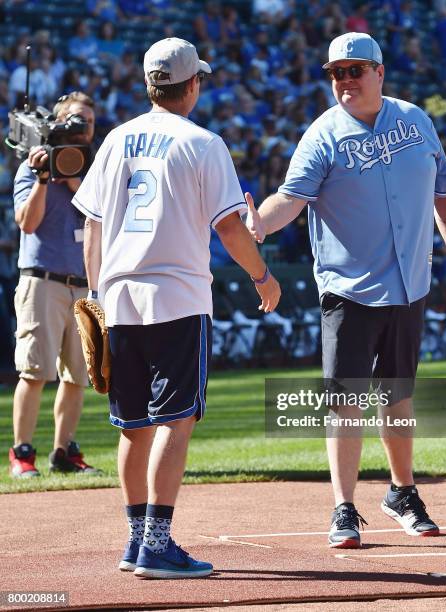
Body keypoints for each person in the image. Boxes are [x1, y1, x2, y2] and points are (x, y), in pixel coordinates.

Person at [246, 32, 446, 548]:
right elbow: (290, 199)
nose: (345, 80)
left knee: (398, 398)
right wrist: (259, 223)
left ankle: (402, 493)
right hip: (349, 289)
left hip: (409, 285)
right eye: (336, 73)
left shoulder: (416, 121)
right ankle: (343, 507)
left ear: (379, 72)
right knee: (345, 402)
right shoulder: (323, 134)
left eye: (354, 70)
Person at [72, 38, 280, 578]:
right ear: (192, 85)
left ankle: (136, 539)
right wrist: (262, 275)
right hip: (178, 296)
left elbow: (91, 227)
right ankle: (157, 546)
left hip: (118, 298)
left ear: (149, 84)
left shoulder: (115, 139)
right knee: (175, 421)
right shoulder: (202, 142)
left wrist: (96, 294)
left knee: (133, 426)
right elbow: (230, 226)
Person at [9, 92, 98, 477]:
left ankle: (64, 452)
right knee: (34, 371)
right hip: (42, 281)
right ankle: (22, 453)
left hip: (83, 285)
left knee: (77, 375)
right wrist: (45, 178)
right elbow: (27, 223)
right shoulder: (32, 167)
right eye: (75, 121)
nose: (83, 129)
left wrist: (76, 180)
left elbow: (105, 217)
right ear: (58, 123)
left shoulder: (95, 173)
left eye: (89, 123)